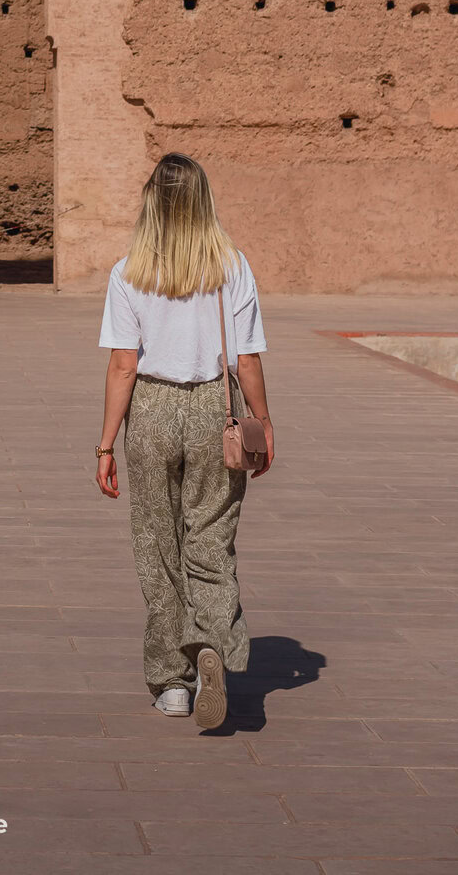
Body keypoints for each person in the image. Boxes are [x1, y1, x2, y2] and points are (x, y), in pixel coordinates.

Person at [95, 153, 273, 728]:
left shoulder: (129, 272)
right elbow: (246, 358)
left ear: (152, 202)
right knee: (211, 540)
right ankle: (213, 647)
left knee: (158, 544)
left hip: (149, 408)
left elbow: (124, 364)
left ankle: (172, 682)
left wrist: (104, 445)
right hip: (215, 410)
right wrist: (263, 421)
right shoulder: (232, 267)